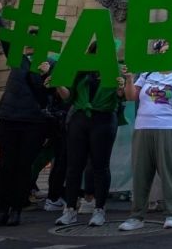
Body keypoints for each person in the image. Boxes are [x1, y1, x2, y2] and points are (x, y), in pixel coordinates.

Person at [0, 2, 55, 227]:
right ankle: (1, 210)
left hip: (34, 121)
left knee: (24, 167)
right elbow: (5, 38)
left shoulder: (49, 65)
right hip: (9, 118)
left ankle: (16, 209)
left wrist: (49, 75)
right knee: (6, 166)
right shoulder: (16, 57)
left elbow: (53, 94)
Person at [53, 42, 126, 227]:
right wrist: (58, 84)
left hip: (104, 119)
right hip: (80, 119)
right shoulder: (81, 70)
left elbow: (122, 96)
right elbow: (67, 96)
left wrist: (122, 87)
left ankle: (99, 209)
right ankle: (70, 210)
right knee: (74, 166)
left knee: (100, 166)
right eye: (96, 51)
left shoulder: (117, 70)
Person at [118, 54, 172, 231]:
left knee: (168, 173)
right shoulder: (147, 74)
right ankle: (136, 216)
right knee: (141, 173)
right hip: (143, 127)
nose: (165, 55)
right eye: (163, 51)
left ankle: (171, 214)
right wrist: (129, 78)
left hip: (169, 127)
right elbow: (131, 97)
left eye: (170, 50)